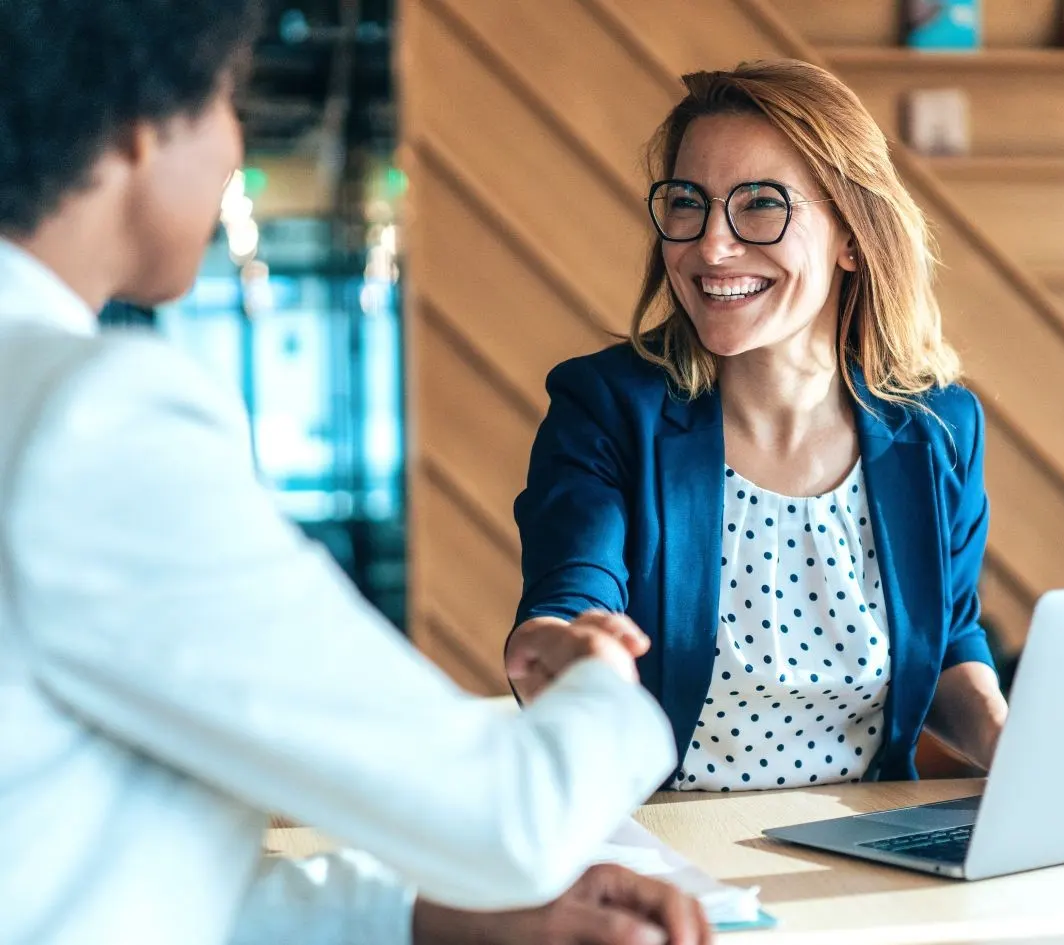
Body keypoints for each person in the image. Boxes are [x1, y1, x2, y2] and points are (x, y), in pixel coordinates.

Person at [0, 3, 708, 944]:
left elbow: (75, 865)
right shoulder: (90, 419)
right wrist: (602, 680)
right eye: (225, 100)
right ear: (139, 126)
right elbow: (511, 819)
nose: (233, 147)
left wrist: (425, 916)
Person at [507, 60, 1009, 793]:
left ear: (852, 236)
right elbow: (570, 598)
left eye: (762, 205)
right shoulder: (607, 406)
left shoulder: (940, 427)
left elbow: (950, 637)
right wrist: (563, 649)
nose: (712, 246)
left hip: (869, 846)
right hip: (665, 849)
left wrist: (1007, 739)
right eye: (688, 203)